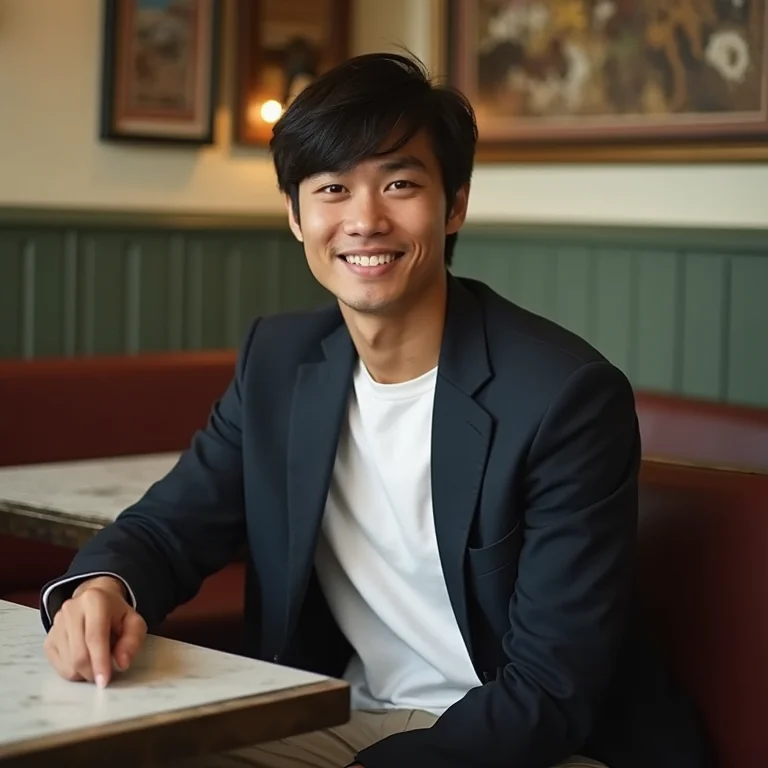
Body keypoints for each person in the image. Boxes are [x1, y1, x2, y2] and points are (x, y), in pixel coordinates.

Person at [39, 53, 711, 768]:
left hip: (528, 743)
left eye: (399, 183)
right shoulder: (280, 362)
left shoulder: (562, 397)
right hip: (340, 716)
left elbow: (549, 691)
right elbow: (171, 527)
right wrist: (102, 586)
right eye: (332, 188)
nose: (365, 219)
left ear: (454, 205)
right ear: (296, 218)